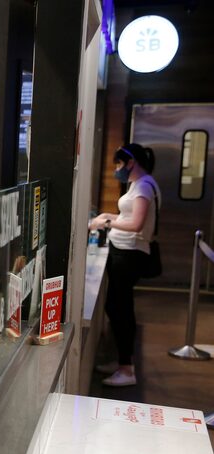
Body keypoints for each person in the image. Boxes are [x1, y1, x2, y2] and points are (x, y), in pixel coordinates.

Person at [89, 143, 160, 387]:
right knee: (117, 306)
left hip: (129, 255)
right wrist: (108, 217)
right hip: (123, 252)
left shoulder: (143, 187)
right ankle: (121, 360)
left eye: (119, 164)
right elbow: (128, 218)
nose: (117, 169)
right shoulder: (140, 185)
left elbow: (136, 224)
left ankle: (126, 369)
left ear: (131, 162)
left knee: (120, 309)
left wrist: (108, 222)